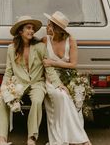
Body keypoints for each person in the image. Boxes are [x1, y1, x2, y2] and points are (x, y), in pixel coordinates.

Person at [0, 15, 64, 145]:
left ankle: (31, 138)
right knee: (1, 100)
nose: (32, 31)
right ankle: (2, 139)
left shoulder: (40, 47)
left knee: (37, 101)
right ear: (20, 31)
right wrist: (3, 86)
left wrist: (58, 84)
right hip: (18, 84)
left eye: (33, 28)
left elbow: (48, 68)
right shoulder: (11, 49)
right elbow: (9, 71)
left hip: (37, 83)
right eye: (28, 28)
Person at [42, 10, 91, 145]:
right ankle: (74, 138)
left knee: (74, 95)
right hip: (51, 77)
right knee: (61, 95)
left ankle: (75, 136)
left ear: (57, 29)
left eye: (49, 25)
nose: (47, 27)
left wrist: (53, 62)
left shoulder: (71, 40)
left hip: (69, 76)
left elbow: (73, 64)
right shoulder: (45, 39)